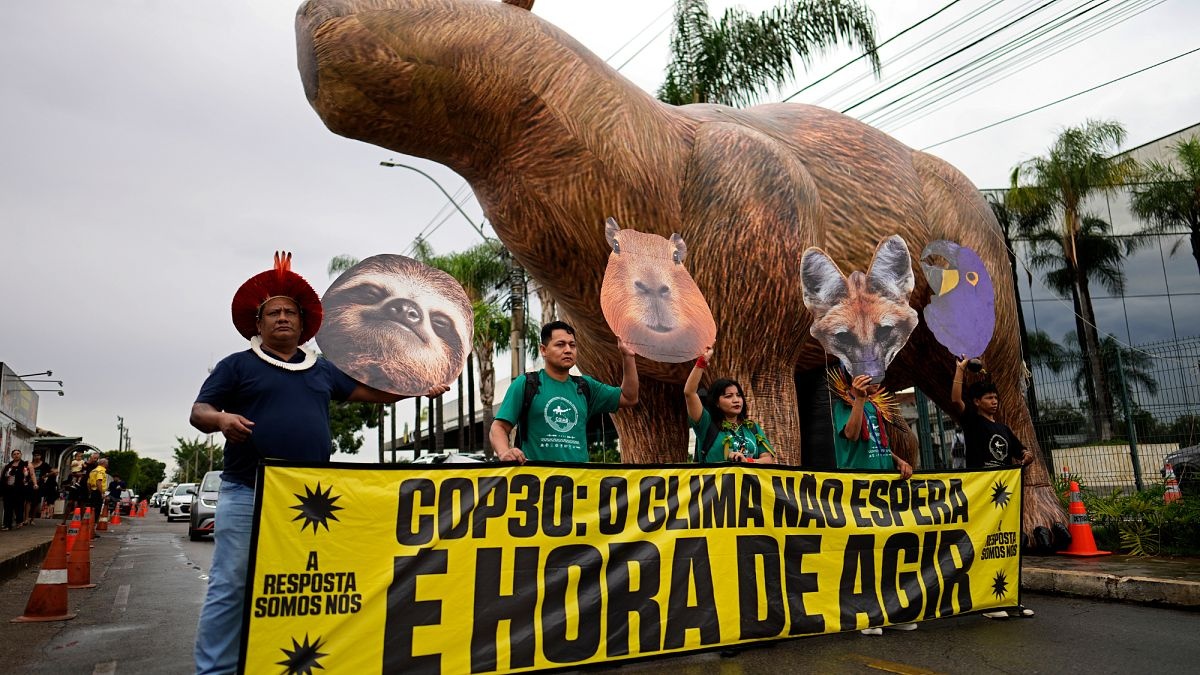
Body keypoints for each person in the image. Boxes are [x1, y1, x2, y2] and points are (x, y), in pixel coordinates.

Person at [190, 252, 447, 675]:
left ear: (303, 322)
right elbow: (199, 412)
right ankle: (215, 671)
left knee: (300, 588)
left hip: (309, 503)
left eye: (290, 311)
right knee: (232, 586)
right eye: (273, 312)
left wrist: (422, 387)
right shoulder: (236, 366)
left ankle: (284, 663)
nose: (283, 318)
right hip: (246, 493)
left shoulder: (321, 371)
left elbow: (375, 391)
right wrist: (220, 419)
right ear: (258, 324)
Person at [829, 368, 916, 634]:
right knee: (864, 552)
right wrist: (858, 399)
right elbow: (852, 434)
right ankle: (866, 614)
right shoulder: (844, 404)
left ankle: (891, 611)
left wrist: (898, 460)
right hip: (858, 487)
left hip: (882, 485)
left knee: (887, 550)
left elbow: (877, 442)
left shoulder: (874, 406)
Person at [949, 355, 1036, 620]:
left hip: (1004, 499)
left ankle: (1008, 597)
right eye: (988, 398)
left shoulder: (1003, 428)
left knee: (1005, 546)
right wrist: (960, 370)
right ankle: (985, 601)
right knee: (984, 545)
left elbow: (1022, 452)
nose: (994, 401)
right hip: (981, 495)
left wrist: (1026, 456)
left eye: (995, 397)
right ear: (977, 402)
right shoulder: (973, 422)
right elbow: (955, 400)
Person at [490, 321, 638, 463]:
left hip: (579, 483)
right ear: (543, 350)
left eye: (572, 345)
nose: (568, 350)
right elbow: (499, 427)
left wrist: (628, 356)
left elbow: (628, 397)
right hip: (537, 485)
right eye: (560, 345)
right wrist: (504, 452)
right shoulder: (526, 384)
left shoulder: (586, 386)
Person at [683, 347, 776, 464]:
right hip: (714, 482)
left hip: (749, 482)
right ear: (716, 402)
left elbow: (768, 459)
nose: (736, 400)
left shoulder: (752, 428)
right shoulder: (706, 424)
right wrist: (702, 362)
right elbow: (689, 392)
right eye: (728, 396)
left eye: (738, 395)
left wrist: (747, 461)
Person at [2, 450, 37, 530]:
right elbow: (3, 476)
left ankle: (19, 521)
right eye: (14, 454)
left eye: (18, 454)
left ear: (21, 455)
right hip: (9, 488)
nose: (16, 455)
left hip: (20, 488)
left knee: (19, 505)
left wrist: (35, 484)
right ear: (12, 456)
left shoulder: (26, 464)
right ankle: (7, 524)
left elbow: (32, 474)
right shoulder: (8, 466)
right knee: (8, 506)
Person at [27, 451, 49, 525]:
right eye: (35, 455)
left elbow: (52, 471)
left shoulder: (44, 465)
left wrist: (44, 477)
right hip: (29, 485)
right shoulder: (30, 464)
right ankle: (26, 519)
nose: (37, 457)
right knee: (28, 501)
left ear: (41, 456)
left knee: (36, 502)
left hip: (39, 485)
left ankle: (32, 519)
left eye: (38, 455)